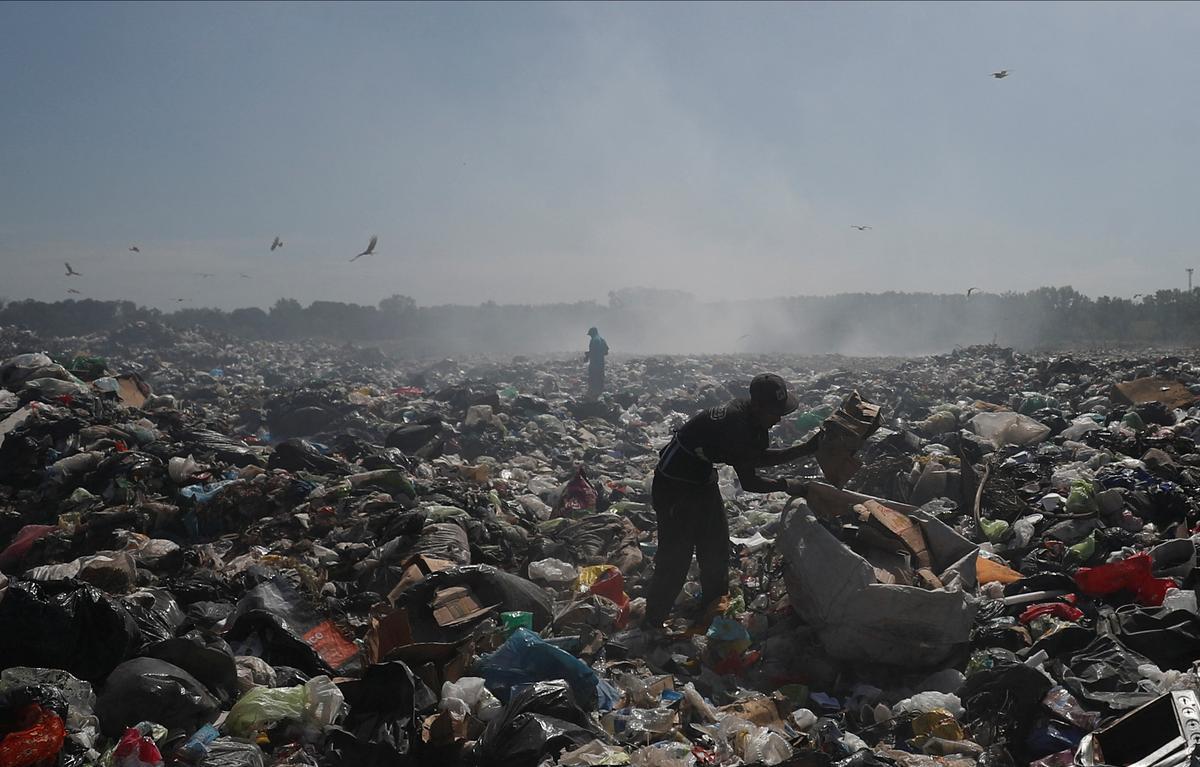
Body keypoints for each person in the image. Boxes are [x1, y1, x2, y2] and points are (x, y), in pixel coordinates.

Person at [643, 373, 819, 630]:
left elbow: (754, 457)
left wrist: (803, 450)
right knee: (676, 558)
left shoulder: (753, 420)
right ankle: (652, 623)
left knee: (716, 550)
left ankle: (713, 613)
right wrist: (789, 484)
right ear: (758, 406)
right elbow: (750, 481)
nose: (779, 419)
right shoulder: (735, 424)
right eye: (775, 412)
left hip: (703, 481)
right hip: (674, 486)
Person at [584, 326, 609, 398]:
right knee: (600, 378)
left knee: (593, 378)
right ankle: (599, 393)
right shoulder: (602, 340)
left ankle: (593, 394)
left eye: (590, 335)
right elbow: (606, 352)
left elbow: (593, 351)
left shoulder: (594, 340)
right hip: (601, 363)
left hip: (594, 363)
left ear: (592, 333)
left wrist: (587, 355)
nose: (590, 336)